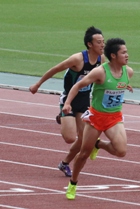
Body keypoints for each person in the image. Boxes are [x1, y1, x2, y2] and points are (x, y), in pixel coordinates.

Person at [29, 26, 106, 177]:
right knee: (70, 138)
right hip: (69, 99)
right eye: (99, 42)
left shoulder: (101, 59)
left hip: (84, 100)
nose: (102, 45)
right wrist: (38, 84)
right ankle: (62, 116)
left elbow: (108, 74)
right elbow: (55, 69)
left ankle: (64, 164)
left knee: (85, 140)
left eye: (103, 41)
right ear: (90, 44)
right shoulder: (77, 59)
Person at [63, 38, 133, 200]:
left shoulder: (128, 72)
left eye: (127, 52)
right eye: (123, 53)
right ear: (113, 56)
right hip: (96, 118)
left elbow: (119, 84)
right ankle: (73, 183)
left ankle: (99, 144)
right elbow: (77, 86)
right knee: (83, 154)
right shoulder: (100, 72)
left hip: (115, 117)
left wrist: (125, 86)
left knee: (121, 151)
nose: (127, 55)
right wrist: (67, 103)